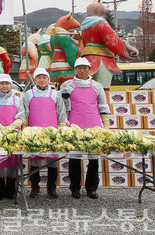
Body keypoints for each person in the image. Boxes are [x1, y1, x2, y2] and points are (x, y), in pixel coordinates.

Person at [59, 57, 111, 199]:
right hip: (75, 124)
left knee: (93, 158)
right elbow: (62, 106)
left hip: (94, 125)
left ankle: (91, 188)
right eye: (79, 68)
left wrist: (106, 124)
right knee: (75, 157)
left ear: (89, 69)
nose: (82, 70)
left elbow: (103, 105)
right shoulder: (68, 86)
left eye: (85, 68)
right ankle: (75, 188)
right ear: (75, 70)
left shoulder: (97, 86)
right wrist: (63, 123)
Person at [15, 68, 68, 198]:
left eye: (44, 77)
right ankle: (35, 186)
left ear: (48, 79)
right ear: (35, 80)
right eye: (39, 77)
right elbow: (24, 112)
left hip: (52, 133)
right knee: (34, 161)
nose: (42, 80)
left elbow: (61, 113)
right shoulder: (28, 94)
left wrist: (62, 128)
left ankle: (51, 187)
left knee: (52, 161)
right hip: (34, 132)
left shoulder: (56, 94)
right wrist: (22, 127)